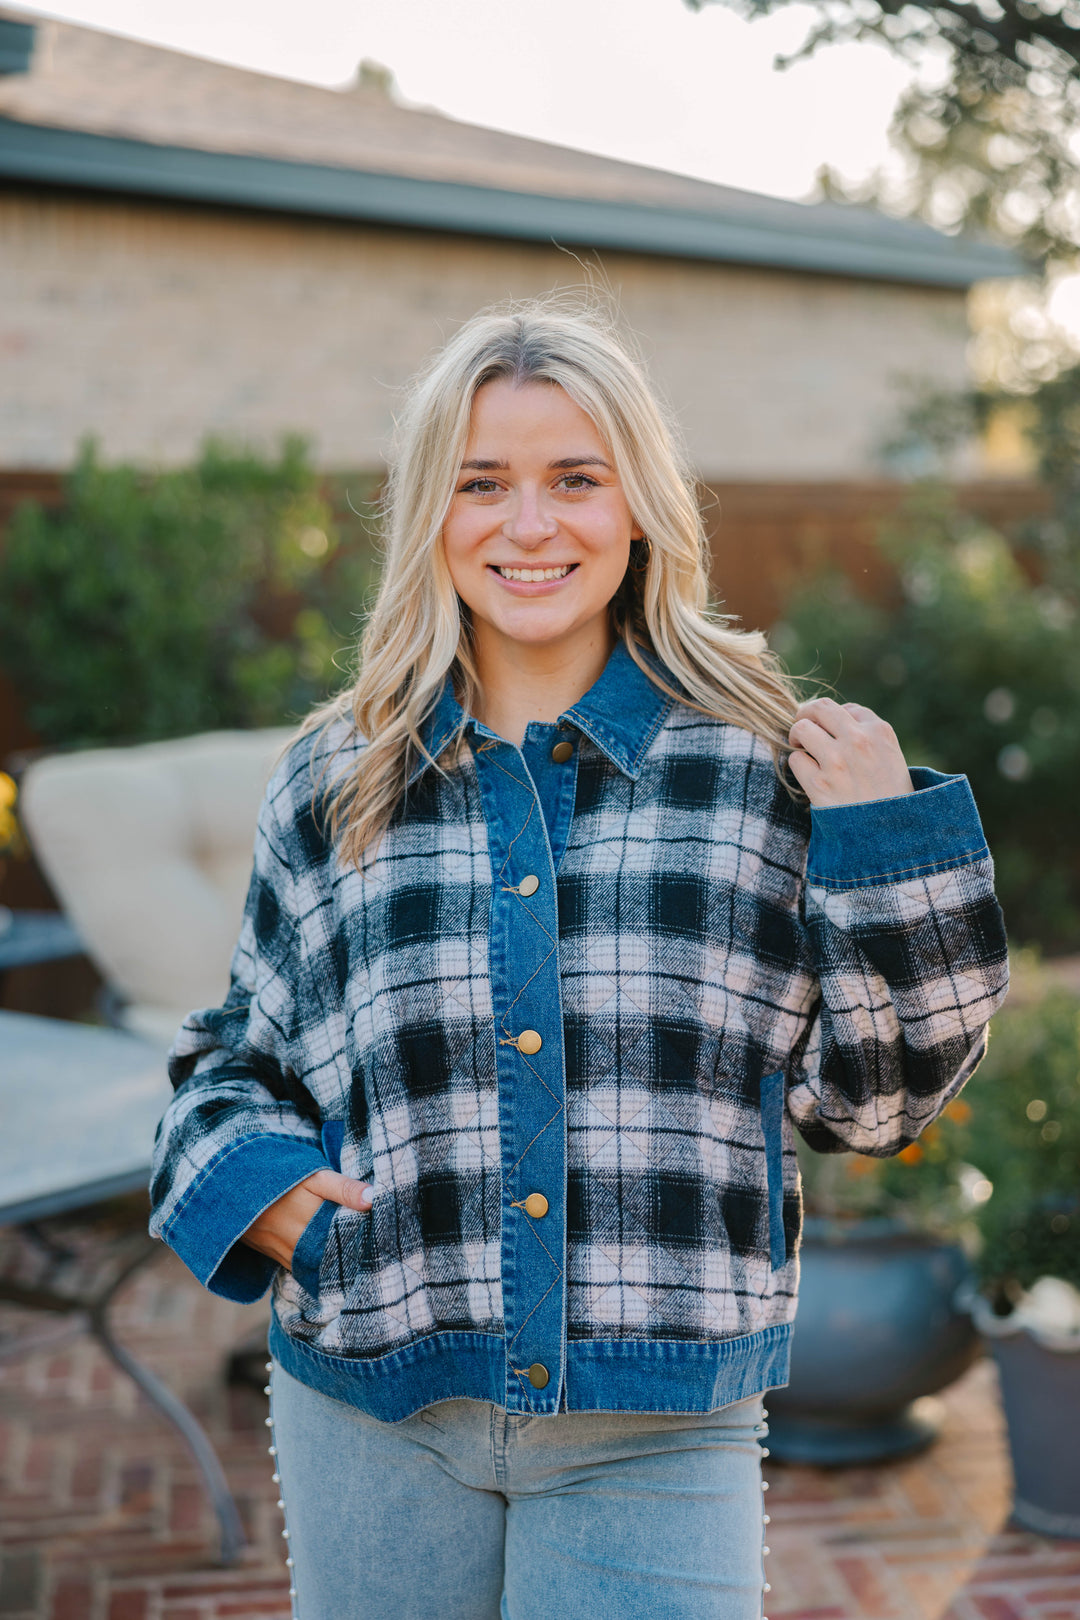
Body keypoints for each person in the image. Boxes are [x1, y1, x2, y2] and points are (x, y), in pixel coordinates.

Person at [149, 298, 1009, 1620]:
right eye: (482, 482)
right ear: (432, 512)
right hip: (374, 1405)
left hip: (658, 1432)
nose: (529, 524)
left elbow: (876, 1102)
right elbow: (235, 1054)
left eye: (575, 480)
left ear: (640, 506)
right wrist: (253, 1183)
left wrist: (885, 844)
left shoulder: (760, 769)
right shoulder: (334, 779)